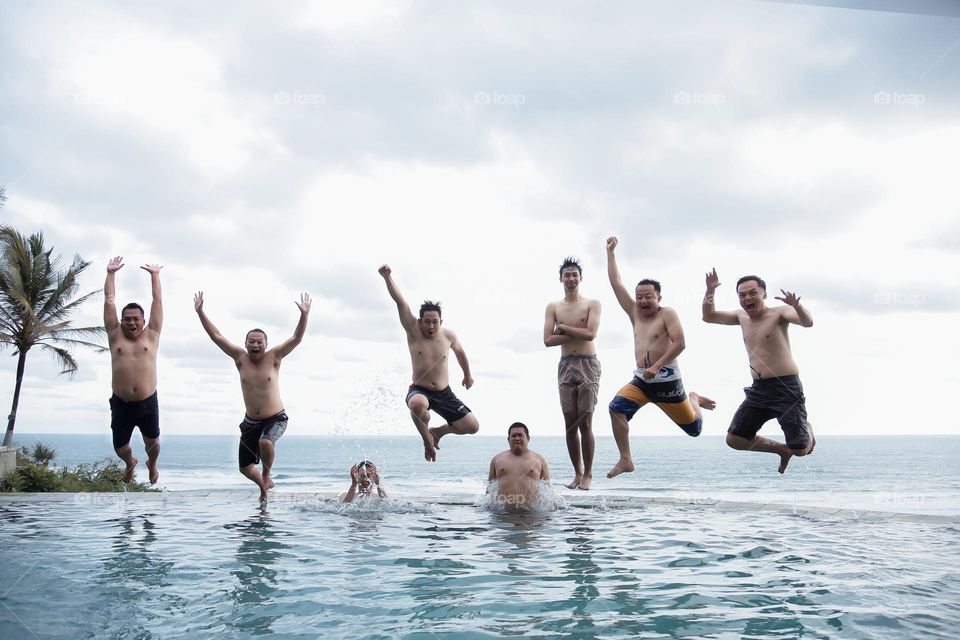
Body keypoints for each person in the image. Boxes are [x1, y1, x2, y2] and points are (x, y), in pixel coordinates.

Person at [605, 237, 715, 478]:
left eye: (649, 296)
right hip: (642, 381)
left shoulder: (667, 313)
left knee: (694, 430)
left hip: (667, 381)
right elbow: (616, 283)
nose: (643, 301)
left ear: (659, 297)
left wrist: (656, 365)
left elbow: (680, 343)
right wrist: (610, 252)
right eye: (640, 296)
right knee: (616, 408)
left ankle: (693, 399)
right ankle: (626, 459)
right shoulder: (633, 311)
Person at [194, 291, 311, 501]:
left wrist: (304, 314)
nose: (255, 345)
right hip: (250, 421)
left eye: (259, 342)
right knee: (245, 468)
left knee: (266, 443)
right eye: (252, 341)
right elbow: (216, 336)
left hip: (275, 417)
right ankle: (262, 487)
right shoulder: (239, 358)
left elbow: (297, 338)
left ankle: (266, 474)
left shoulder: (274, 356)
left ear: (266, 344)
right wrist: (201, 312)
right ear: (246, 343)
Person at [702, 269, 816, 473]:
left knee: (800, 450)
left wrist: (797, 306)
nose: (747, 298)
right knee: (735, 440)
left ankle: (806, 430)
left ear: (763, 294)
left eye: (752, 292)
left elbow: (808, 322)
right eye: (742, 294)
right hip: (759, 389)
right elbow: (709, 316)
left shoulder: (779, 313)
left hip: (786, 387)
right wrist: (710, 290)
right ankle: (781, 449)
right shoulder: (741, 317)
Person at [378, 264, 479, 462]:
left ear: (441, 321)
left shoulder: (449, 335)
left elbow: (460, 353)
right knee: (417, 405)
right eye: (426, 321)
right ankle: (427, 441)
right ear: (420, 320)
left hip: (445, 393)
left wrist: (467, 375)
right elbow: (400, 302)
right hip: (420, 389)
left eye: (435, 321)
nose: (431, 326)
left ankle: (437, 432)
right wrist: (387, 277)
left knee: (472, 427)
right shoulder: (412, 329)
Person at [104, 256, 163, 485]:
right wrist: (111, 273)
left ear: (143, 320)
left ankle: (152, 463)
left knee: (154, 445)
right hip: (121, 402)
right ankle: (131, 463)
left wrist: (155, 276)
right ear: (120, 320)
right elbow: (109, 301)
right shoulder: (114, 334)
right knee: (120, 448)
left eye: (135, 319)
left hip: (147, 401)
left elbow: (157, 300)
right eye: (127, 319)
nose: (131, 323)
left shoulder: (152, 334)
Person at [543, 257, 601, 490]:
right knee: (569, 423)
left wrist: (565, 327)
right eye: (566, 274)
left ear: (580, 278)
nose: (571, 278)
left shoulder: (592, 303)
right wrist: (579, 331)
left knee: (585, 422)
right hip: (565, 363)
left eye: (574, 274)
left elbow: (591, 334)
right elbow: (548, 340)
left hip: (588, 363)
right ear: (561, 279)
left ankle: (588, 474)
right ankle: (576, 473)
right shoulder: (554, 307)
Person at [487, 422, 550, 512]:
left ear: (528, 438)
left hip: (532, 514)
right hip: (502, 514)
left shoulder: (539, 460)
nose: (517, 438)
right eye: (513, 436)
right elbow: (490, 488)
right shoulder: (497, 459)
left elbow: (547, 489)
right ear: (508, 439)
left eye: (520, 435)